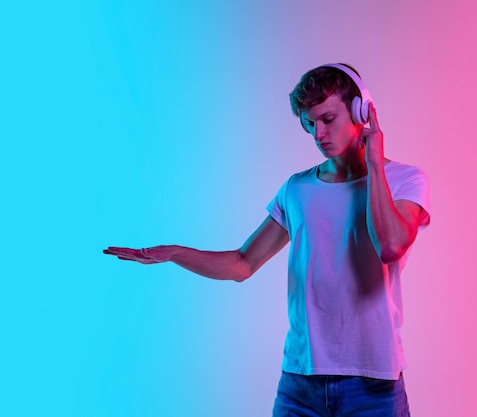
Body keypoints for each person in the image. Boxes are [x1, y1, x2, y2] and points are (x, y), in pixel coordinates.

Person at [104, 63, 431, 417]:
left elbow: (390, 246)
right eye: (309, 124)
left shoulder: (404, 180)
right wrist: (175, 254)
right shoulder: (297, 189)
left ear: (360, 110)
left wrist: (375, 164)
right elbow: (243, 264)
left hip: (373, 385)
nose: (318, 134)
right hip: (299, 384)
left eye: (327, 119)